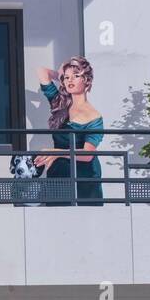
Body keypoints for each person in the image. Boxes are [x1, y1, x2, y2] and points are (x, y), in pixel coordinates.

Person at [33, 58, 104, 205]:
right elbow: (42, 71)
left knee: (88, 219)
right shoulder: (59, 103)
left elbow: (87, 155)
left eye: (76, 76)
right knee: (56, 216)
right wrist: (60, 73)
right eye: (67, 77)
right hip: (59, 171)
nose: (70, 80)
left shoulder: (94, 116)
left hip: (85, 174)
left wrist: (55, 152)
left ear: (87, 80)